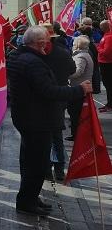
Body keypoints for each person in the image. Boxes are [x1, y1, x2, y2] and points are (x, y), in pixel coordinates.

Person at [7, 26, 90, 216]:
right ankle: (28, 201)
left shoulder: (17, 56)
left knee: (29, 161)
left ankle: (30, 196)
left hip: (26, 117)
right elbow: (49, 91)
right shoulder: (33, 62)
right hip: (38, 120)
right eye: (46, 41)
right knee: (36, 163)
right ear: (40, 43)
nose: (48, 44)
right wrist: (79, 90)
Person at [40, 23, 75, 181]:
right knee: (56, 136)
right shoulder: (63, 53)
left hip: (41, 100)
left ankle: (47, 169)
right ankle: (59, 168)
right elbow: (72, 70)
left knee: (44, 136)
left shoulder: (39, 54)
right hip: (60, 98)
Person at [67, 35, 95, 141]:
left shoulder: (80, 57)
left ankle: (75, 134)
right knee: (78, 113)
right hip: (83, 87)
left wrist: (66, 75)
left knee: (75, 113)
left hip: (79, 88)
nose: (72, 46)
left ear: (78, 45)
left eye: (74, 44)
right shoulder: (85, 54)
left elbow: (78, 72)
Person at [76, 17, 101, 93]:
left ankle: (87, 87)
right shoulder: (96, 32)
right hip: (94, 50)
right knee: (95, 68)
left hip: (86, 50)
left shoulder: (79, 33)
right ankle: (96, 88)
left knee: (86, 69)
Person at [97, 20, 112, 113]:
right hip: (104, 63)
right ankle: (109, 103)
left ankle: (110, 104)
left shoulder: (109, 37)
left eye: (101, 26)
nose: (100, 28)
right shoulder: (106, 36)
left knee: (109, 84)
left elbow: (106, 52)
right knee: (107, 85)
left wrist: (98, 48)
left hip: (107, 64)